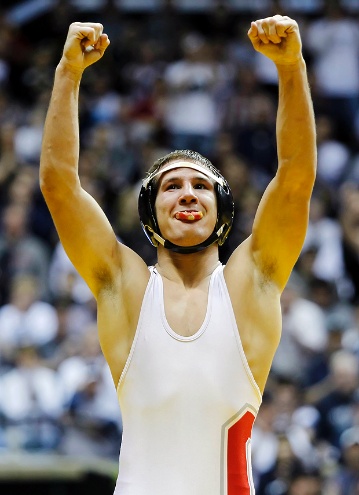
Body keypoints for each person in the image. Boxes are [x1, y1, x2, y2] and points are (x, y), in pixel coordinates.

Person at [39, 15, 316, 495]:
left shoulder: (253, 281)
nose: (188, 195)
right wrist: (67, 73)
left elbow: (294, 178)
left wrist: (291, 68)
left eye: (201, 186)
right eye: (172, 186)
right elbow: (59, 186)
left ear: (222, 208)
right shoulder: (122, 287)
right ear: (150, 211)